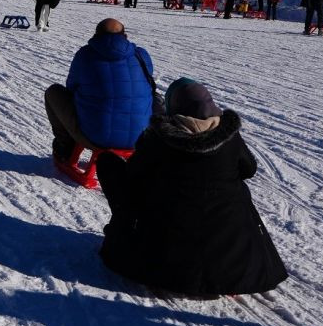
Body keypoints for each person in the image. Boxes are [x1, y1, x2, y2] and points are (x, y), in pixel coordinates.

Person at [95, 79, 288, 297]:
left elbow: (133, 176)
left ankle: (125, 233)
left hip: (169, 262)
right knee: (235, 190)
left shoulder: (159, 138)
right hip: (233, 262)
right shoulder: (229, 136)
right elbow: (248, 169)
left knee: (109, 164)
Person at [44, 18, 156, 161]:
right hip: (141, 137)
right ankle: (158, 145)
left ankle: (65, 146)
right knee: (149, 96)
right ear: (125, 35)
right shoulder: (141, 55)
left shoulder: (84, 55)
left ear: (96, 35)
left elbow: (71, 87)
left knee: (53, 92)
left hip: (96, 137)